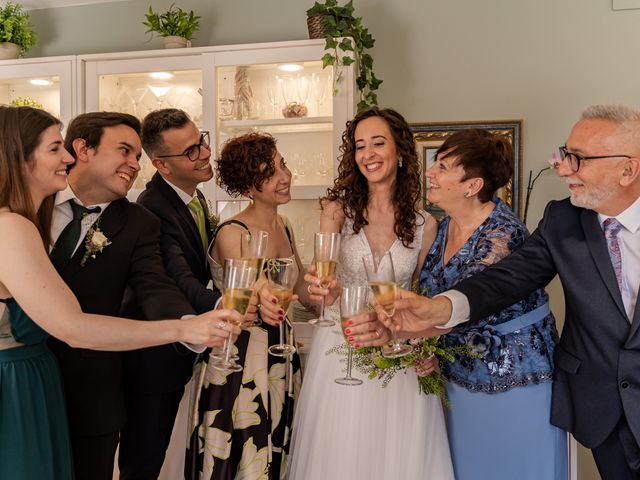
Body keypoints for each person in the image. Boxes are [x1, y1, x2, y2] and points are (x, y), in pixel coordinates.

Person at [352, 104, 640, 480]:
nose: (563, 167)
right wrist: (432, 311)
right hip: (607, 413)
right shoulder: (563, 220)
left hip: (517, 385)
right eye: (565, 154)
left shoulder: (501, 230)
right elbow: (504, 281)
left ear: (628, 169)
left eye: (578, 158)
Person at [0, 107, 240, 479]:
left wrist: (190, 323)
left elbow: (156, 285)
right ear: (84, 149)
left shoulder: (138, 222)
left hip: (84, 393)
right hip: (20, 390)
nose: (135, 164)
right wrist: (181, 330)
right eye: (124, 150)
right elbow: (71, 325)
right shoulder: (23, 215)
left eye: (138, 156)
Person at [287, 107, 453, 480]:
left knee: (397, 455)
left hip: (397, 352)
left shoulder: (426, 224)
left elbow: (423, 298)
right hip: (340, 347)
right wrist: (320, 288)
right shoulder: (336, 210)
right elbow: (316, 284)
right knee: (340, 456)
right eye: (360, 146)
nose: (369, 154)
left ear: (400, 151)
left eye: (378, 143)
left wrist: (425, 352)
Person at [421, 128, 565, 479]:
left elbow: (474, 301)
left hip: (516, 382)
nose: (430, 172)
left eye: (442, 166)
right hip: (460, 382)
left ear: (472, 185)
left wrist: (408, 332)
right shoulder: (442, 228)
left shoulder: (503, 233)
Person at [185, 132, 309, 479]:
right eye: (269, 174)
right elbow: (257, 289)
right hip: (240, 362)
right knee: (242, 457)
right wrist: (268, 297)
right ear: (249, 186)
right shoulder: (232, 231)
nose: (283, 177)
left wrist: (322, 283)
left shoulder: (283, 224)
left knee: (277, 453)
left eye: (281, 165)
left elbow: (299, 291)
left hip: (280, 355)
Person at [117, 108, 221, 480]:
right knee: (143, 459)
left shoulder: (194, 198)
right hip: (152, 359)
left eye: (202, 141)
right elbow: (177, 278)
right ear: (161, 164)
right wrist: (226, 306)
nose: (206, 153)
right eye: (191, 151)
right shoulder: (153, 208)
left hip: (179, 351)